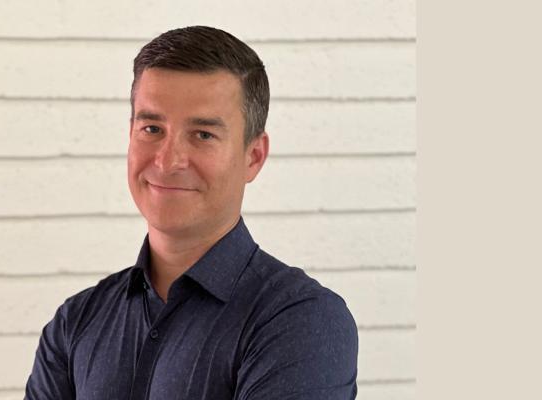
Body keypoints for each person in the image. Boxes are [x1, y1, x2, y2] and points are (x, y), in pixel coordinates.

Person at [24, 26, 358, 400]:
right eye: (152, 128)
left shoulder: (301, 320)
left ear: (253, 156)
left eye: (202, 135)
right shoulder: (74, 323)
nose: (168, 161)